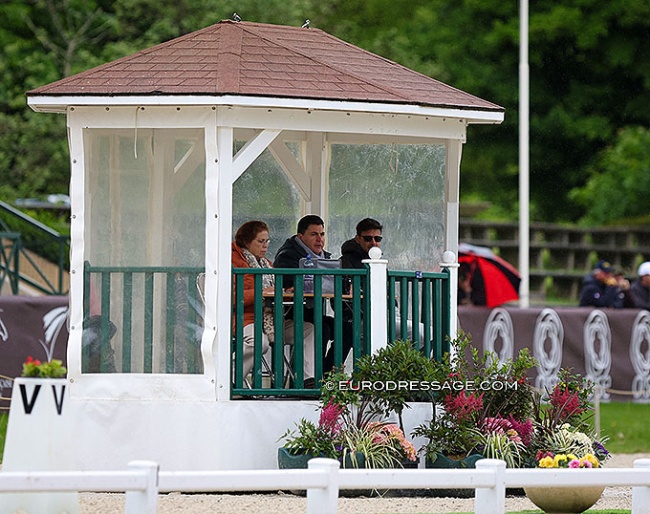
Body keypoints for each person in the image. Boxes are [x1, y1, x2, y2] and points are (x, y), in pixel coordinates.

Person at [231, 220, 315, 382]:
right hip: (244, 319)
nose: (265, 245)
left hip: (269, 320)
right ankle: (230, 381)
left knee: (308, 330)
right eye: (260, 241)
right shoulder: (232, 261)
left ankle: (307, 380)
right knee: (259, 342)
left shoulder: (265, 263)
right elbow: (231, 297)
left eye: (267, 241)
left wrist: (286, 292)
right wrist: (261, 293)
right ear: (246, 241)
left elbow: (272, 288)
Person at [274, 215, 352, 375]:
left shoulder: (326, 258)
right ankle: (310, 380)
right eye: (314, 234)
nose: (320, 239)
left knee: (348, 329)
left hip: (311, 312)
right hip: (290, 314)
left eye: (322, 234)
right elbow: (287, 285)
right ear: (300, 237)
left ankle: (326, 373)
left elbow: (335, 285)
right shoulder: (287, 256)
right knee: (322, 328)